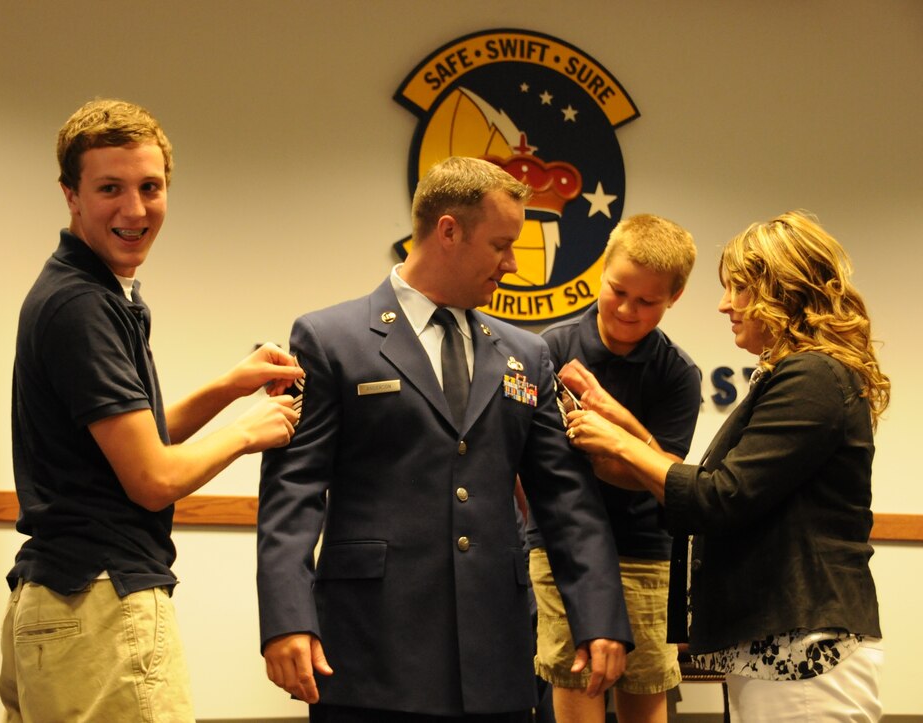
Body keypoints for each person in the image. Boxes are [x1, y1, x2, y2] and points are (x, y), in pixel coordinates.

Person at [257, 156, 633, 722]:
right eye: (501, 245)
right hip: (369, 654)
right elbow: (294, 490)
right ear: (448, 231)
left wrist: (600, 616)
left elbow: (567, 499)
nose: (512, 264)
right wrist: (287, 617)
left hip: (496, 657)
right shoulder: (331, 339)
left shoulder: (526, 354)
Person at [0, 99, 303, 722]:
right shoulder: (82, 305)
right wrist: (248, 433)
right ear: (71, 195)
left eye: (150, 187)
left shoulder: (95, 292)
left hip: (62, 601)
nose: (134, 210)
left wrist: (229, 387)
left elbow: (134, 442)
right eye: (110, 188)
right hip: (100, 603)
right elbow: (153, 479)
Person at [566, 211, 889, 721]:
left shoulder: (813, 376)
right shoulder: (797, 373)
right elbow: (717, 487)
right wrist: (622, 419)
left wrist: (618, 442)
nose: (723, 305)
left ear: (779, 291)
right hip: (777, 649)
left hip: (805, 650)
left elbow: (719, 497)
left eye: (737, 289)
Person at [526, 214, 700, 723]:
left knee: (644, 692)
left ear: (675, 297)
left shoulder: (678, 373)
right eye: (617, 290)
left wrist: (611, 435)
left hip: (645, 552)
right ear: (601, 271)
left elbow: (668, 481)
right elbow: (534, 467)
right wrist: (629, 458)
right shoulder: (547, 351)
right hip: (559, 548)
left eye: (648, 302)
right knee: (576, 685)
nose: (627, 309)